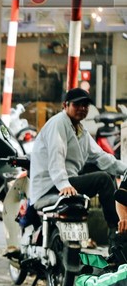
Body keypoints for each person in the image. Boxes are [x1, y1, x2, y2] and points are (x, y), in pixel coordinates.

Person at [30, 87, 127, 243]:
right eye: (77, 105)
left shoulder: (81, 130)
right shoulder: (59, 123)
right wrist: (63, 184)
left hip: (67, 180)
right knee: (103, 179)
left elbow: (101, 157)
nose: (82, 109)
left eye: (85, 105)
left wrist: (125, 169)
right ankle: (116, 232)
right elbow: (57, 155)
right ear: (65, 105)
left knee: (105, 172)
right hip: (51, 183)